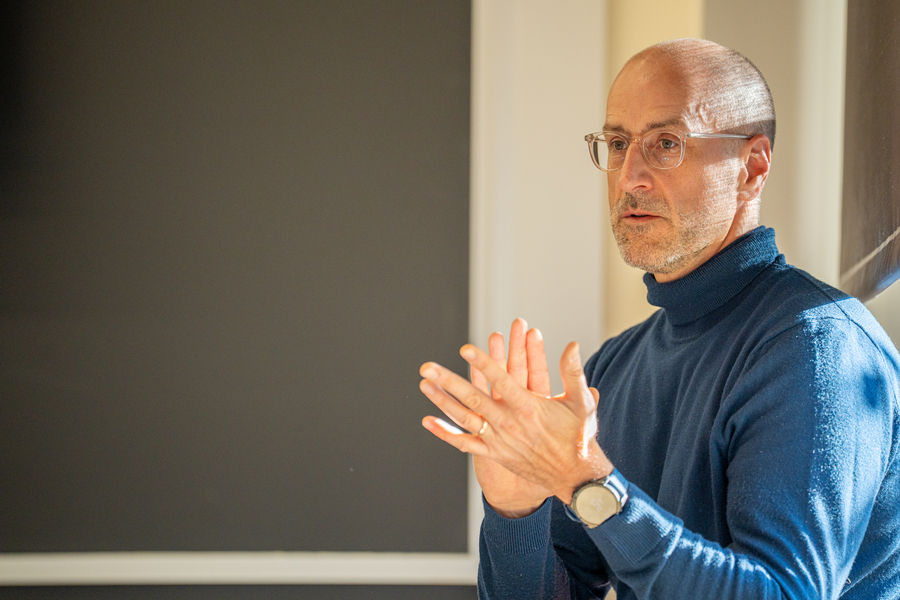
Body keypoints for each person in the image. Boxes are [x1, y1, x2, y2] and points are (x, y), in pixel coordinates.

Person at [418, 38, 900, 599]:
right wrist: (515, 510)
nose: (629, 178)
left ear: (752, 166)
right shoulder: (616, 367)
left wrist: (588, 484)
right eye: (618, 144)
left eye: (666, 143)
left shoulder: (817, 347)